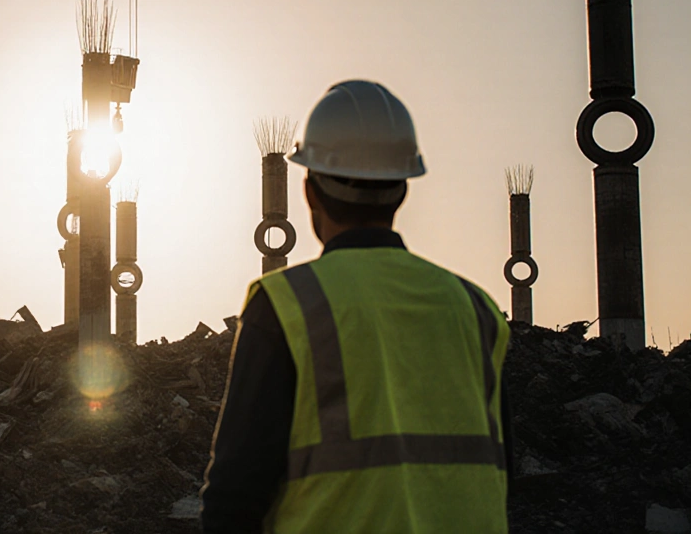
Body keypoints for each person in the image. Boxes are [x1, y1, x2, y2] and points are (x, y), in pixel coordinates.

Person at [201, 80, 512, 533]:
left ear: (309, 193)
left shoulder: (289, 305)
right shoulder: (476, 309)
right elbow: (502, 472)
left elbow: (235, 495)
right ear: (403, 190)